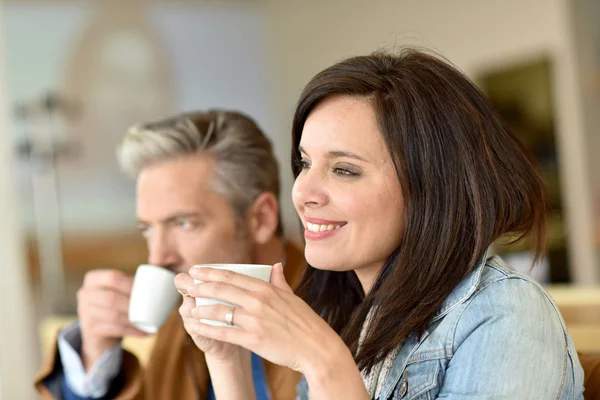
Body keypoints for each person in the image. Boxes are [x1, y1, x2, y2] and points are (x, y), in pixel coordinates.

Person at [175, 49, 585, 399]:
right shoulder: (352, 317)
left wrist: (325, 364)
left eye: (344, 170)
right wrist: (226, 357)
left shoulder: (505, 313)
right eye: (305, 163)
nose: (303, 192)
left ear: (431, 187)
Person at [35, 110, 305, 399]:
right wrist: (96, 360)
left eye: (184, 223)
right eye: (147, 229)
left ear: (261, 219)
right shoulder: (181, 319)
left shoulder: (333, 318)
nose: (157, 258)